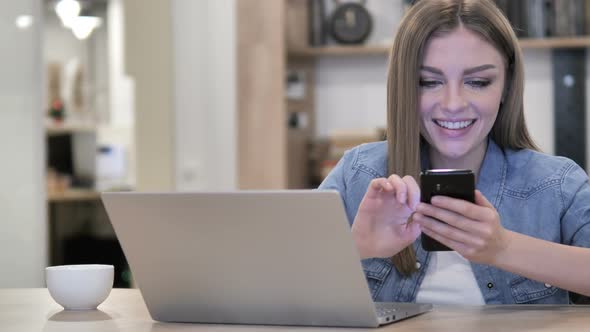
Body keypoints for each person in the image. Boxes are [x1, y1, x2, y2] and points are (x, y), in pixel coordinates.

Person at [319, 0, 590, 305]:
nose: (452, 104)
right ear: (405, 86)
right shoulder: (357, 173)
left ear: (507, 84)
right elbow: (280, 291)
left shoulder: (558, 184)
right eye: (428, 82)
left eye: (477, 82)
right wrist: (356, 248)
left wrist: (503, 248)